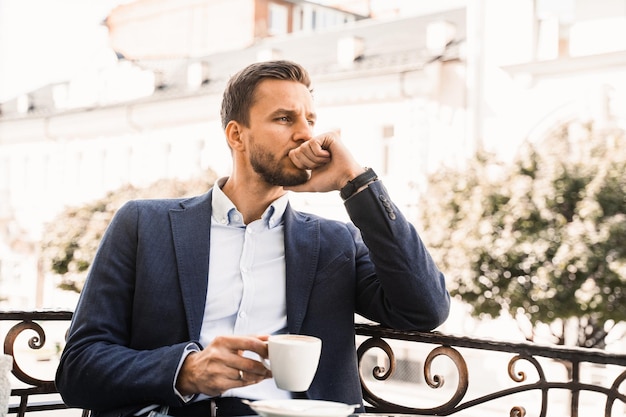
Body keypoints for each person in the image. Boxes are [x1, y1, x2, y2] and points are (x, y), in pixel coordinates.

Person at [55, 60, 450, 417]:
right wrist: (186, 371)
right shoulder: (143, 225)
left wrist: (357, 185)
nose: (305, 135)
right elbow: (78, 367)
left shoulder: (335, 243)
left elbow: (425, 309)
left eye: (310, 120)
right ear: (236, 135)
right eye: (284, 119)